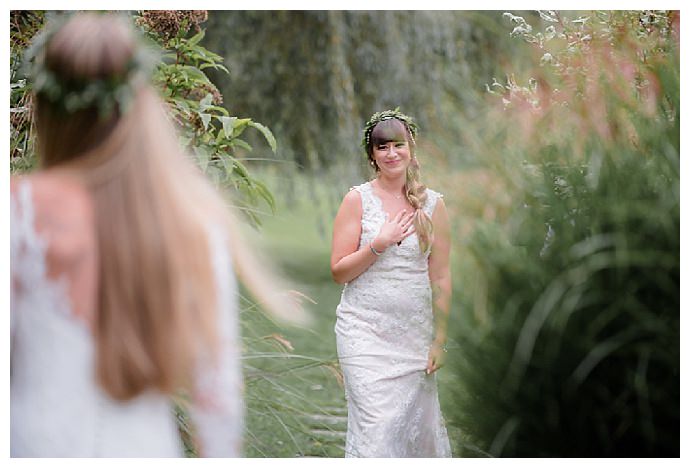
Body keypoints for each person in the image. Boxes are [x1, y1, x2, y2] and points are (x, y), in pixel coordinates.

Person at [10, 13, 301, 457]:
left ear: (43, 107)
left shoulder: (17, 212)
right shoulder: (191, 220)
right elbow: (218, 397)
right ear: (139, 103)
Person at [331, 109, 452, 457]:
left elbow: (441, 276)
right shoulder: (357, 200)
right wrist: (379, 244)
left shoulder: (433, 205)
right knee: (377, 430)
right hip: (363, 332)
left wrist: (439, 340)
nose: (391, 153)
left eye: (399, 145)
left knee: (416, 433)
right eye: (382, 147)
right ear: (372, 154)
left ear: (411, 149)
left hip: (413, 337)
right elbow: (339, 271)